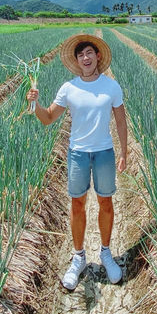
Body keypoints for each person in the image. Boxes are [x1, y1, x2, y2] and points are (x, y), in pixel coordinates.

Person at [27, 33, 128, 290]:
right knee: (77, 204)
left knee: (106, 201)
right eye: (81, 54)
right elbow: (48, 118)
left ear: (98, 57)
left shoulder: (111, 87)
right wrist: (34, 103)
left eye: (89, 53)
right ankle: (79, 257)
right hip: (78, 154)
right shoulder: (68, 88)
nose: (85, 57)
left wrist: (124, 152)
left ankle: (106, 253)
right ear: (77, 60)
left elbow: (120, 121)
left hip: (104, 152)